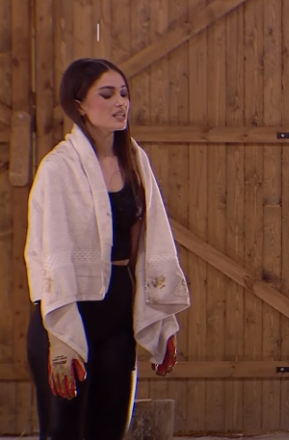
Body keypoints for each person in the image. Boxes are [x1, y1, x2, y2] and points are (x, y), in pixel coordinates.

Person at [24, 58, 191, 440]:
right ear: (79, 104)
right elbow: (47, 252)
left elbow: (151, 243)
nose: (121, 102)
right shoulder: (58, 168)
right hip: (68, 309)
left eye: (124, 93)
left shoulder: (134, 160)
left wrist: (162, 319)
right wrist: (60, 338)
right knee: (63, 431)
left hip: (117, 308)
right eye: (107, 94)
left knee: (110, 429)